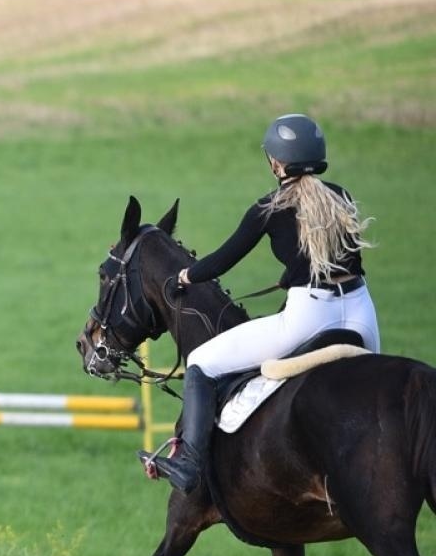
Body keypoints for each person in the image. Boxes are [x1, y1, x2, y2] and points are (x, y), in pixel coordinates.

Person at [146, 113, 379, 493]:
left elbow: (225, 258)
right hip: (361, 314)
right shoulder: (340, 196)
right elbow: (335, 259)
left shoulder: (268, 208)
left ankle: (188, 463)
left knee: (202, 362)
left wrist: (186, 277)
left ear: (277, 162)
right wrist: (292, 274)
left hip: (310, 315)